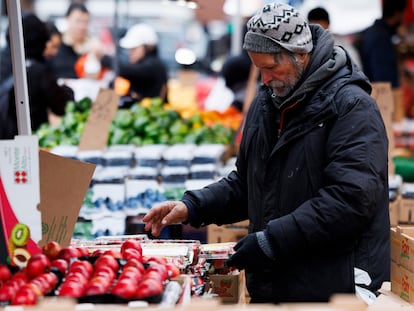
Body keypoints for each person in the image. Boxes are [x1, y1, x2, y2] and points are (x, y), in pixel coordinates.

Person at [143, 2, 390, 305]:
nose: (264, 79)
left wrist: (271, 241)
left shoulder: (351, 107)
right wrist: (192, 207)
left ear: (300, 55)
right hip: (280, 282)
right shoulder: (268, 104)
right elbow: (249, 185)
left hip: (334, 288)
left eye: (272, 68)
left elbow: (350, 200)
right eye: (258, 69)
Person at [0, 13, 74, 139]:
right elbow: (62, 105)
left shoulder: (3, 60)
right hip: (26, 148)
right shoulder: (37, 71)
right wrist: (67, 90)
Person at [48, 2, 111, 80]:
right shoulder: (58, 44)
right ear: (67, 19)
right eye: (78, 21)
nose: (82, 26)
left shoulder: (95, 46)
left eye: (85, 22)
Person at [115, 23, 169, 106]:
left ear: (146, 47)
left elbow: (127, 71)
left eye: (134, 49)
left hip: (151, 113)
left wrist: (104, 58)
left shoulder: (153, 65)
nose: (130, 53)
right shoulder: (149, 63)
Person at [357, 0, 406, 89]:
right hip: (381, 96)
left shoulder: (377, 31)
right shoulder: (380, 38)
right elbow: (383, 78)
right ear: (397, 14)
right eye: (403, 14)